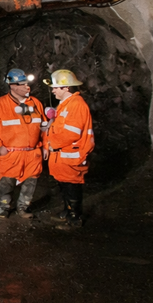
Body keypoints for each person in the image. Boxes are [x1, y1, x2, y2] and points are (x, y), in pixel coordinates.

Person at [0, 68, 48, 219]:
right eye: (21, 84)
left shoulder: (35, 103)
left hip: (32, 153)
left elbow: (44, 127)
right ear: (11, 86)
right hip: (11, 153)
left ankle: (23, 208)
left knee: (30, 183)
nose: (26, 87)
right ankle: (4, 208)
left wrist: (45, 146)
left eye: (27, 83)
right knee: (7, 182)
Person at [43, 69, 94, 230]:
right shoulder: (65, 105)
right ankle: (67, 212)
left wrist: (51, 144)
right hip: (62, 156)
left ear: (66, 88)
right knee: (64, 186)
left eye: (56, 87)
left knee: (72, 186)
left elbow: (71, 133)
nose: (53, 90)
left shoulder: (76, 105)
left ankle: (75, 219)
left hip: (71, 155)